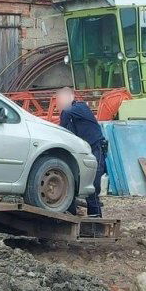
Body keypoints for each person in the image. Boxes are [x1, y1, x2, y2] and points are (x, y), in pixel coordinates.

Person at [55, 87, 107, 217]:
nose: (60, 103)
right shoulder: (70, 115)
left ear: (72, 97)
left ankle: (95, 218)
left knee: (93, 184)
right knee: (71, 181)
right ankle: (71, 216)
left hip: (96, 149)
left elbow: (63, 122)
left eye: (62, 99)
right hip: (81, 153)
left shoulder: (80, 108)